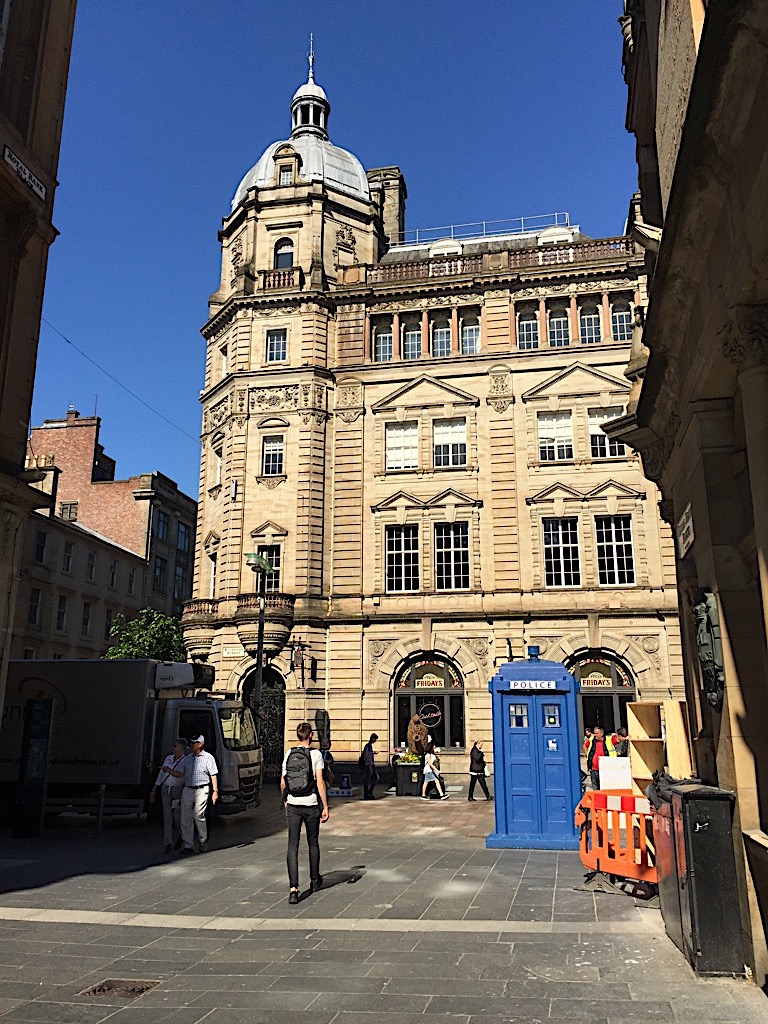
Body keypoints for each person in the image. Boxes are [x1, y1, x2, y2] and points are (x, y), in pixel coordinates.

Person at [281, 722, 329, 904]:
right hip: (311, 804)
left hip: (293, 803)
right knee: (313, 842)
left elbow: (283, 781)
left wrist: (285, 800)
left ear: (297, 735)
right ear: (310, 736)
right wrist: (325, 806)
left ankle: (294, 889)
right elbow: (320, 783)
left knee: (292, 846)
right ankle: (315, 880)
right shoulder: (316, 754)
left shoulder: (289, 754)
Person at [170, 733, 218, 854]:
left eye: (194, 743)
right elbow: (180, 773)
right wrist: (169, 770)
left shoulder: (208, 757)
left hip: (202, 789)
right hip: (188, 788)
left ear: (200, 744)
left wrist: (215, 791)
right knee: (185, 817)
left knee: (198, 815)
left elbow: (213, 775)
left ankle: (202, 839)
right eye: (190, 743)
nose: (191, 745)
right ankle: (188, 845)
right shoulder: (187, 758)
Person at [149, 738, 186, 852]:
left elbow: (180, 775)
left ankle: (182, 836)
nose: (173, 748)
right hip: (166, 788)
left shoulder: (185, 761)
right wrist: (154, 790)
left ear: (181, 748)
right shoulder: (168, 758)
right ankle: (167, 843)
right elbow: (161, 775)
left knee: (177, 817)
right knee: (167, 816)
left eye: (175, 746)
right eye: (173, 746)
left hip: (177, 789)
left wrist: (169, 770)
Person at [585, 725, 615, 790]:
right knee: (595, 788)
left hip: (605, 769)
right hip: (594, 769)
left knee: (604, 788)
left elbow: (619, 739)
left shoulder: (609, 739)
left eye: (596, 733)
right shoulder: (591, 740)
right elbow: (585, 746)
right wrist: (587, 755)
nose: (595, 735)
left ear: (601, 734)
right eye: (594, 733)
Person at [362, 732, 378, 800]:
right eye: (375, 739)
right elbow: (367, 756)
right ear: (372, 738)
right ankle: (368, 793)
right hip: (369, 765)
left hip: (370, 765)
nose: (375, 741)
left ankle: (368, 793)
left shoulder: (369, 746)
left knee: (369, 779)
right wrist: (370, 767)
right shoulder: (368, 746)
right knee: (374, 778)